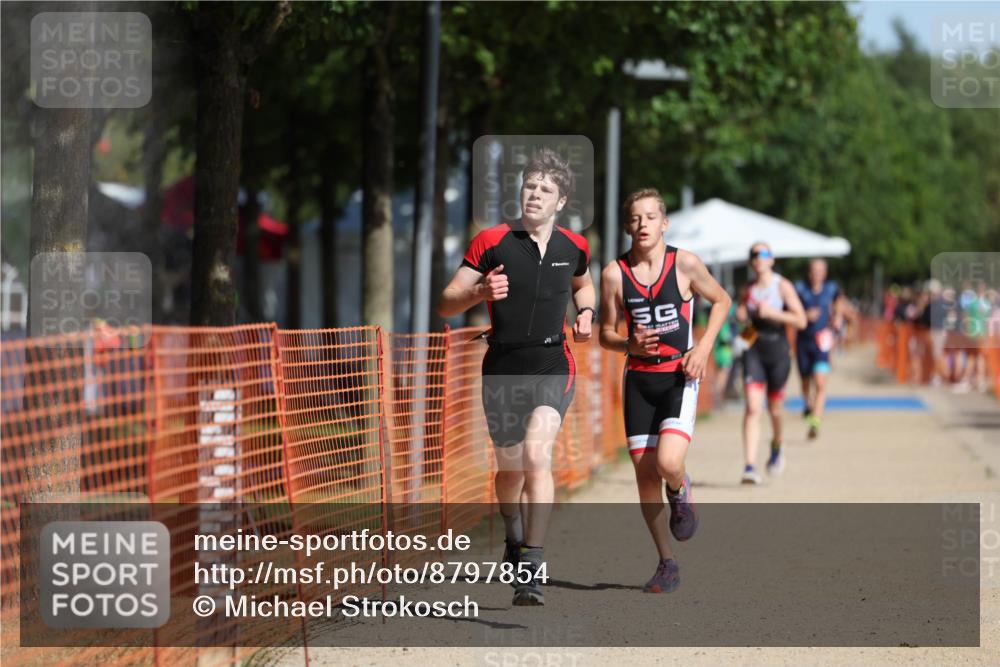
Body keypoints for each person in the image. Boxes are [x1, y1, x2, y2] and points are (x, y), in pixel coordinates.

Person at [437, 148, 595, 606]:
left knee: (536, 455)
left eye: (546, 189)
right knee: (509, 472)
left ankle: (532, 563)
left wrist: (585, 313)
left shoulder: (574, 246)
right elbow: (447, 301)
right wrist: (480, 291)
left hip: (552, 363)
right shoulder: (492, 241)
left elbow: (582, 283)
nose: (535, 195)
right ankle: (512, 533)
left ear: (560, 200)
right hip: (502, 367)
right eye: (529, 186)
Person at [598, 188, 731, 593]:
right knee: (643, 476)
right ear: (626, 226)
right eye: (635, 219)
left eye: (650, 217)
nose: (643, 225)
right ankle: (666, 562)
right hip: (639, 379)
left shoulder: (684, 263)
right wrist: (628, 344)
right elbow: (606, 334)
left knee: (668, 463)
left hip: (678, 376)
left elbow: (722, 300)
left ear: (664, 223)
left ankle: (680, 487)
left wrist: (703, 349)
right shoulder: (612, 274)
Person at [735, 243, 807, 484]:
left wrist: (773, 314)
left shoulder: (782, 286)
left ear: (771, 260)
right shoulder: (748, 289)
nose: (758, 258)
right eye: (753, 255)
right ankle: (749, 466)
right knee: (753, 408)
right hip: (754, 350)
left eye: (762, 254)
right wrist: (742, 318)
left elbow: (801, 320)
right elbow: (748, 324)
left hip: (778, 351)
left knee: (775, 409)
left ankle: (777, 445)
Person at [794, 259, 842, 440]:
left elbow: (839, 300)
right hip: (803, 342)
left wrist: (837, 317)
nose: (818, 273)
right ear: (809, 272)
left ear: (825, 272)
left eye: (821, 270)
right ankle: (807, 404)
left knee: (821, 383)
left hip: (822, 342)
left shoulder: (831, 288)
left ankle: (815, 419)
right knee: (805, 381)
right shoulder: (799, 289)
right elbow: (791, 308)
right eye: (815, 270)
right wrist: (804, 315)